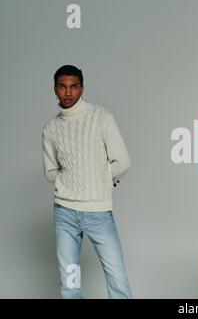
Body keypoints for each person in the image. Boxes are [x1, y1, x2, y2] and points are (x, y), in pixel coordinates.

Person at [42, 65, 133, 298]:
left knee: (117, 278)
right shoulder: (51, 128)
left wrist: (100, 180)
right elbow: (51, 172)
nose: (68, 93)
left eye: (73, 86)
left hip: (98, 211)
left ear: (82, 88)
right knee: (69, 282)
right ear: (55, 89)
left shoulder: (101, 117)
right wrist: (72, 178)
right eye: (62, 87)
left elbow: (122, 161)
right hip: (64, 212)